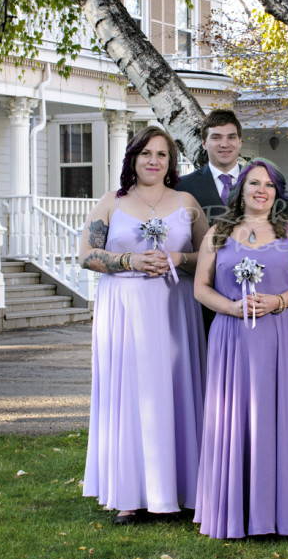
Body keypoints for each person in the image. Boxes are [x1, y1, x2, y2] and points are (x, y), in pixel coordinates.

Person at [192, 159, 288, 538]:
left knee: (282, 416)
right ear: (240, 190)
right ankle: (237, 511)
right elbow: (200, 287)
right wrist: (232, 308)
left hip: (285, 337)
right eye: (253, 183)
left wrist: (278, 302)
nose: (261, 190)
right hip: (233, 338)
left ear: (277, 192)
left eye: (269, 185)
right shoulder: (219, 232)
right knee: (235, 422)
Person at [78, 126, 208, 525]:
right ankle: (130, 496)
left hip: (174, 307)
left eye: (162, 155)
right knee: (130, 394)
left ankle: (183, 490)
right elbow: (85, 255)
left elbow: (208, 255)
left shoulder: (187, 203)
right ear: (132, 158)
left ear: (171, 162)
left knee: (176, 391)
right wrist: (131, 261)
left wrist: (176, 259)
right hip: (125, 306)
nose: (154, 160)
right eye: (146, 153)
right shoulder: (111, 203)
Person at [178, 109, 244, 222]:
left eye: (231, 137)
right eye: (216, 137)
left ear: (240, 142)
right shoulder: (183, 187)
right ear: (204, 143)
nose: (224, 144)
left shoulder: (260, 183)